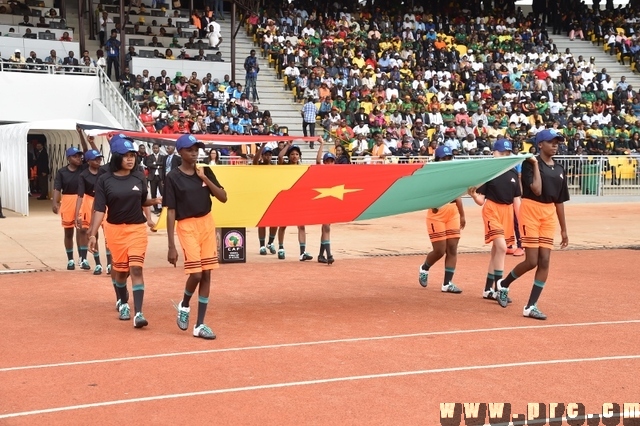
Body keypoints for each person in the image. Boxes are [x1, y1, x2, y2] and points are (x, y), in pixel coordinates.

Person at [495, 129, 570, 320]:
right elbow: (536, 189)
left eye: (557, 142)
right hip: (530, 210)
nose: (555, 145)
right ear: (540, 144)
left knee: (545, 261)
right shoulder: (529, 164)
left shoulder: (560, 169)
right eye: (551, 142)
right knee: (532, 261)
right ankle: (503, 284)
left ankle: (530, 306)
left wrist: (564, 229)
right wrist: (536, 164)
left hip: (549, 214)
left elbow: (559, 200)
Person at [88, 138, 162, 328]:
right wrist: (92, 234)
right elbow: (99, 209)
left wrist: (153, 202)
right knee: (120, 273)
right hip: (115, 230)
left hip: (136, 228)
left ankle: (138, 313)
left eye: (133, 156)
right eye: (126, 156)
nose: (130, 160)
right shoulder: (105, 179)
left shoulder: (139, 176)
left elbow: (142, 200)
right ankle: (123, 301)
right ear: (117, 157)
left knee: (136, 268)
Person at [166, 135, 228, 340]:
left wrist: (204, 178)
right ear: (180, 152)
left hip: (207, 224)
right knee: (197, 274)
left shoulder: (205, 171)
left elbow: (223, 197)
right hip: (187, 226)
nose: (194, 152)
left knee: (207, 274)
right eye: (190, 149)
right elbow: (171, 211)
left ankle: (199, 325)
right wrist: (171, 246)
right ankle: (184, 305)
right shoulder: (172, 177)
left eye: (197, 149)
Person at [467, 139, 522, 301]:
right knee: (502, 248)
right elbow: (481, 200)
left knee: (496, 251)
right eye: (501, 153)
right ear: (494, 153)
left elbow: (517, 200)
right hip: (492, 210)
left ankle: (487, 290)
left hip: (507, 212)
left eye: (507, 153)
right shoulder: (490, 173)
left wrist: (521, 221)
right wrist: (473, 195)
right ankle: (500, 288)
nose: (505, 156)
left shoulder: (513, 173)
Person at [418, 146, 466, 293]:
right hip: (437, 213)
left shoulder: (454, 174)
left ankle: (447, 283)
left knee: (452, 248)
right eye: (444, 158)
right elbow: (425, 193)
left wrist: (462, 214)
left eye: (449, 158)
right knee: (439, 250)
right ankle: (424, 267)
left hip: (453, 212)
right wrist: (432, 204)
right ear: (438, 159)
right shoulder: (432, 174)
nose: (447, 160)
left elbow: (457, 195)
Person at [52, 147, 89, 271]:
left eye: (79, 156)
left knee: (82, 230)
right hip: (68, 200)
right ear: (68, 158)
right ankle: (70, 260)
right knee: (68, 232)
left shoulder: (83, 168)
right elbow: (57, 188)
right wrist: (55, 202)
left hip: (81, 200)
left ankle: (83, 259)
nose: (78, 158)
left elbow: (87, 151)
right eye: (75, 156)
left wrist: (85, 138)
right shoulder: (62, 172)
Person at [277, 143, 313, 261]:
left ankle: (302, 252)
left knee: (301, 226)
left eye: (297, 154)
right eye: (292, 154)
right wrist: (288, 144)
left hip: (298, 200)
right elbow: (280, 157)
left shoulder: (303, 168)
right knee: (282, 225)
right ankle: (281, 248)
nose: (294, 156)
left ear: (300, 156)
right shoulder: (284, 166)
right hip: (286, 199)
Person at [74, 150, 105, 275]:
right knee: (91, 232)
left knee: (106, 232)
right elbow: (80, 195)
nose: (98, 161)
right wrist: (77, 214)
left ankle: (107, 263)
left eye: (99, 159)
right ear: (88, 161)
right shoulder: (83, 175)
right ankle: (93, 262)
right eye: (95, 159)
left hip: (103, 200)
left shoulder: (104, 172)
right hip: (89, 202)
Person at [252, 143, 278, 255]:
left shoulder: (274, 167)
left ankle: (270, 242)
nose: (268, 157)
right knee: (262, 222)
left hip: (272, 196)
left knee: (274, 221)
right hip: (261, 197)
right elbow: (254, 161)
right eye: (266, 155)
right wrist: (262, 147)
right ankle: (262, 245)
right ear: (262, 156)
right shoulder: (259, 165)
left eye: (270, 155)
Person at [315, 139, 336, 264]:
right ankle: (329, 255)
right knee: (326, 228)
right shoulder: (321, 171)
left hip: (331, 202)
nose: (329, 163)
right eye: (327, 161)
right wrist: (322, 144)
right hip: (322, 203)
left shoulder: (337, 173)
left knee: (326, 229)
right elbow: (317, 161)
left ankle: (320, 255)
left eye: (331, 161)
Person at [144, 143, 165, 214]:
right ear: (152, 149)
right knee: (153, 193)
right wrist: (158, 166)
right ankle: (155, 208)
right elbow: (148, 164)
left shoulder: (162, 157)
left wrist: (155, 164)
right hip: (152, 177)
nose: (155, 149)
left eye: (156, 148)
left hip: (160, 177)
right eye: (154, 148)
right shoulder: (149, 157)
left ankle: (164, 208)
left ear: (159, 149)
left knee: (163, 192)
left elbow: (163, 164)